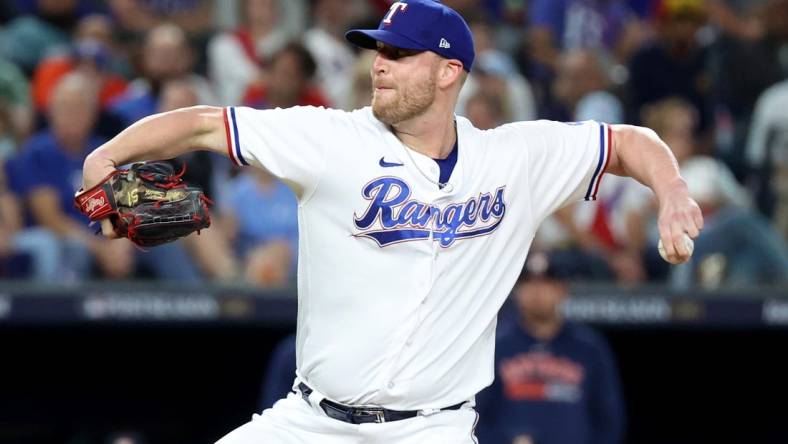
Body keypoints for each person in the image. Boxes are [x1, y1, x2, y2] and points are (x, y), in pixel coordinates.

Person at [79, 1, 702, 442]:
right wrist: (105, 156)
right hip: (311, 424)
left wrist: (671, 188)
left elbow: (626, 140)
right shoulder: (330, 139)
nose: (380, 63)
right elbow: (203, 123)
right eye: (379, 49)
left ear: (448, 71)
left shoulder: (516, 158)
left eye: (401, 54)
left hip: (434, 428)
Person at [476, 252, 626, 444]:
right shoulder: (496, 346)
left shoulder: (589, 347)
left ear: (562, 290)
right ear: (516, 292)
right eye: (529, 283)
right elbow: (476, 416)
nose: (537, 291)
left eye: (546, 283)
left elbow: (609, 419)